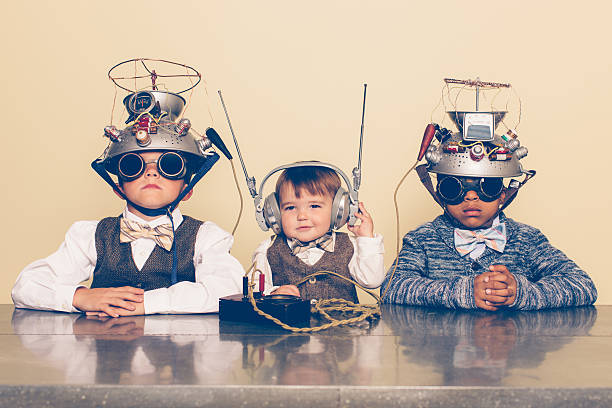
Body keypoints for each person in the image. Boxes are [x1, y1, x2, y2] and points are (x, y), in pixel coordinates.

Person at [12, 90, 243, 317]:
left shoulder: (206, 237)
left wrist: (147, 303)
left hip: (178, 352)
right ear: (118, 188)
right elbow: (26, 286)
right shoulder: (91, 236)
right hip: (105, 349)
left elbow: (229, 289)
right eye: (134, 166)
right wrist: (80, 297)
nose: (151, 173)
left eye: (169, 165)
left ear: (187, 190)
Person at [382, 115, 597, 310]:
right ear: (439, 194)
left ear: (503, 194)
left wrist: (521, 293)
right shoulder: (422, 239)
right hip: (443, 348)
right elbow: (392, 287)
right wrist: (460, 292)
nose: (471, 197)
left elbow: (582, 285)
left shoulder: (527, 239)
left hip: (512, 348)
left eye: (487, 187)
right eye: (453, 188)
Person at [252, 165, 384, 303]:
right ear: (275, 214)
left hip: (344, 323)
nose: (302, 216)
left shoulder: (350, 245)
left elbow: (372, 281)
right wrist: (273, 292)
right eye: (290, 207)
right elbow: (252, 289)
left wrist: (366, 239)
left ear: (338, 211)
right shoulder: (268, 248)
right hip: (288, 324)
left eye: (314, 206)